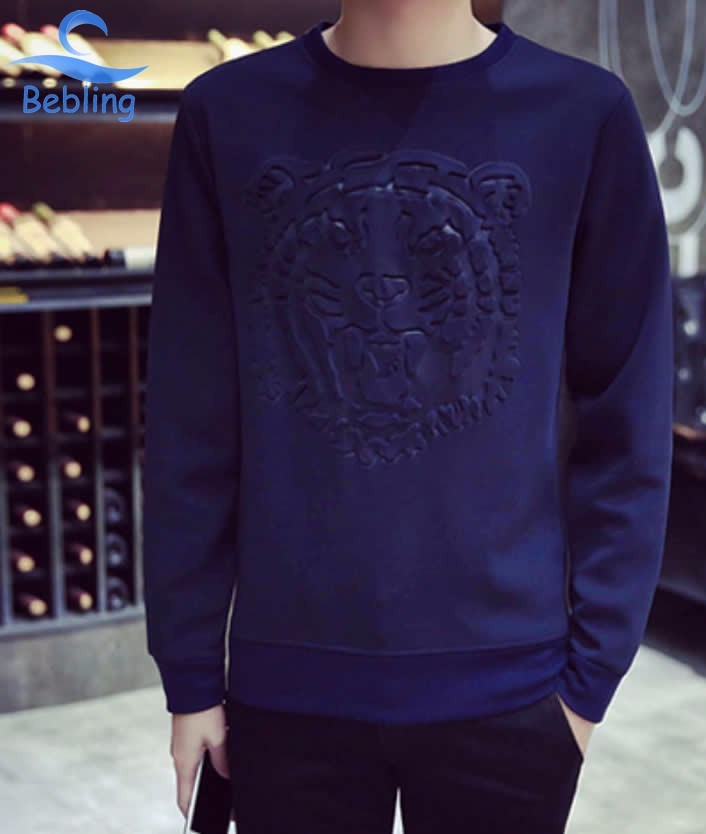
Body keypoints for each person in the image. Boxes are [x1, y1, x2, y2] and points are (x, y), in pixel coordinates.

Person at [141, 1, 673, 831]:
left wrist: (588, 682)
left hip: (513, 692)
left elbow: (630, 412)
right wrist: (190, 672)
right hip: (285, 688)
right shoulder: (228, 112)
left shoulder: (583, 114)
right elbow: (190, 416)